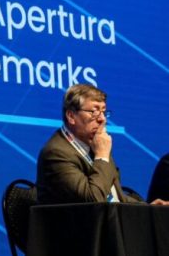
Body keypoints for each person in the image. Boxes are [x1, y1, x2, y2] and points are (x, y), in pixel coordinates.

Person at [36, 84, 168, 205]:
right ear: (71, 116)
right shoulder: (56, 153)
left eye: (103, 112)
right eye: (94, 112)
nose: (102, 119)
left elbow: (115, 197)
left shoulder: (95, 145)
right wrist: (102, 156)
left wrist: (148, 208)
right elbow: (94, 201)